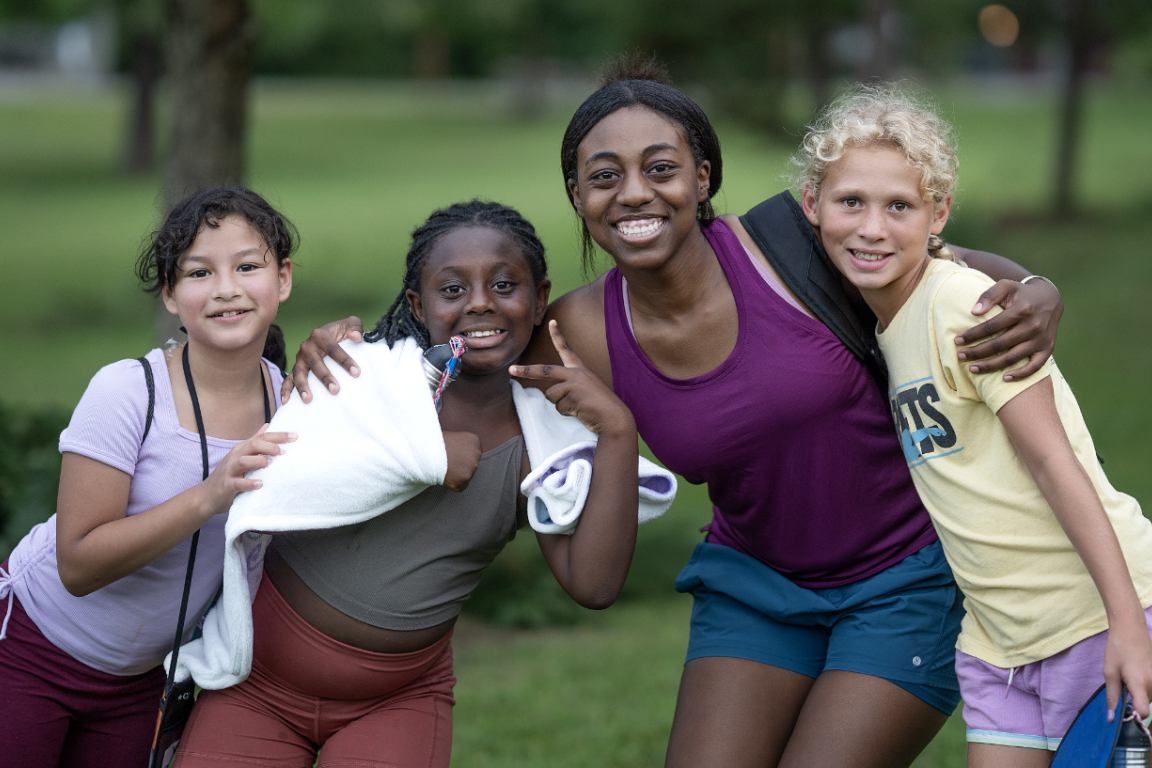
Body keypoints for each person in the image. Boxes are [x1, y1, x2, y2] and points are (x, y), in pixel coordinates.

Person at [283, 60, 1067, 768]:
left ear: (701, 176)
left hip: (903, 580)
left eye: (660, 168)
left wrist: (1036, 290)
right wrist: (341, 350)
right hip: (756, 585)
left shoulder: (794, 246)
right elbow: (462, 349)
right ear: (578, 195)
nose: (633, 193)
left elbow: (943, 270)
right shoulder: (578, 331)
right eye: (604, 175)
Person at [172, 200, 645, 768]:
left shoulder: (540, 444)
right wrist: (424, 453)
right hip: (257, 684)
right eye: (452, 290)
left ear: (539, 300)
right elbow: (296, 464)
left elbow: (593, 586)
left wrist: (617, 430)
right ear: (418, 306)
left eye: (503, 284)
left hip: (399, 698)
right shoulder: (364, 378)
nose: (479, 302)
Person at [795, 84, 1152, 766]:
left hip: (1094, 617)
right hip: (998, 645)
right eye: (851, 202)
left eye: (899, 206)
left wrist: (1129, 624)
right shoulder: (882, 323)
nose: (872, 227)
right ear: (813, 206)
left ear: (938, 214)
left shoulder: (963, 306)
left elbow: (1055, 463)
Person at [0, 187, 295, 768]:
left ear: (282, 279)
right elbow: (79, 566)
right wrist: (209, 495)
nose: (226, 288)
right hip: (33, 648)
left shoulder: (291, 403)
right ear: (169, 293)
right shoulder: (128, 390)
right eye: (198, 272)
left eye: (248, 266)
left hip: (143, 679)